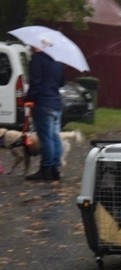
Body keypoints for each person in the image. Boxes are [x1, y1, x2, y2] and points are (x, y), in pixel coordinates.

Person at [24, 47, 64, 182]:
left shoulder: (37, 59)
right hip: (56, 103)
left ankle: (45, 169)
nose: (30, 47)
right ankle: (55, 169)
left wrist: (29, 98)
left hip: (42, 103)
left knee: (46, 138)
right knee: (55, 137)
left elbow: (35, 82)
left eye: (32, 45)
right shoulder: (57, 60)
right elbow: (61, 82)